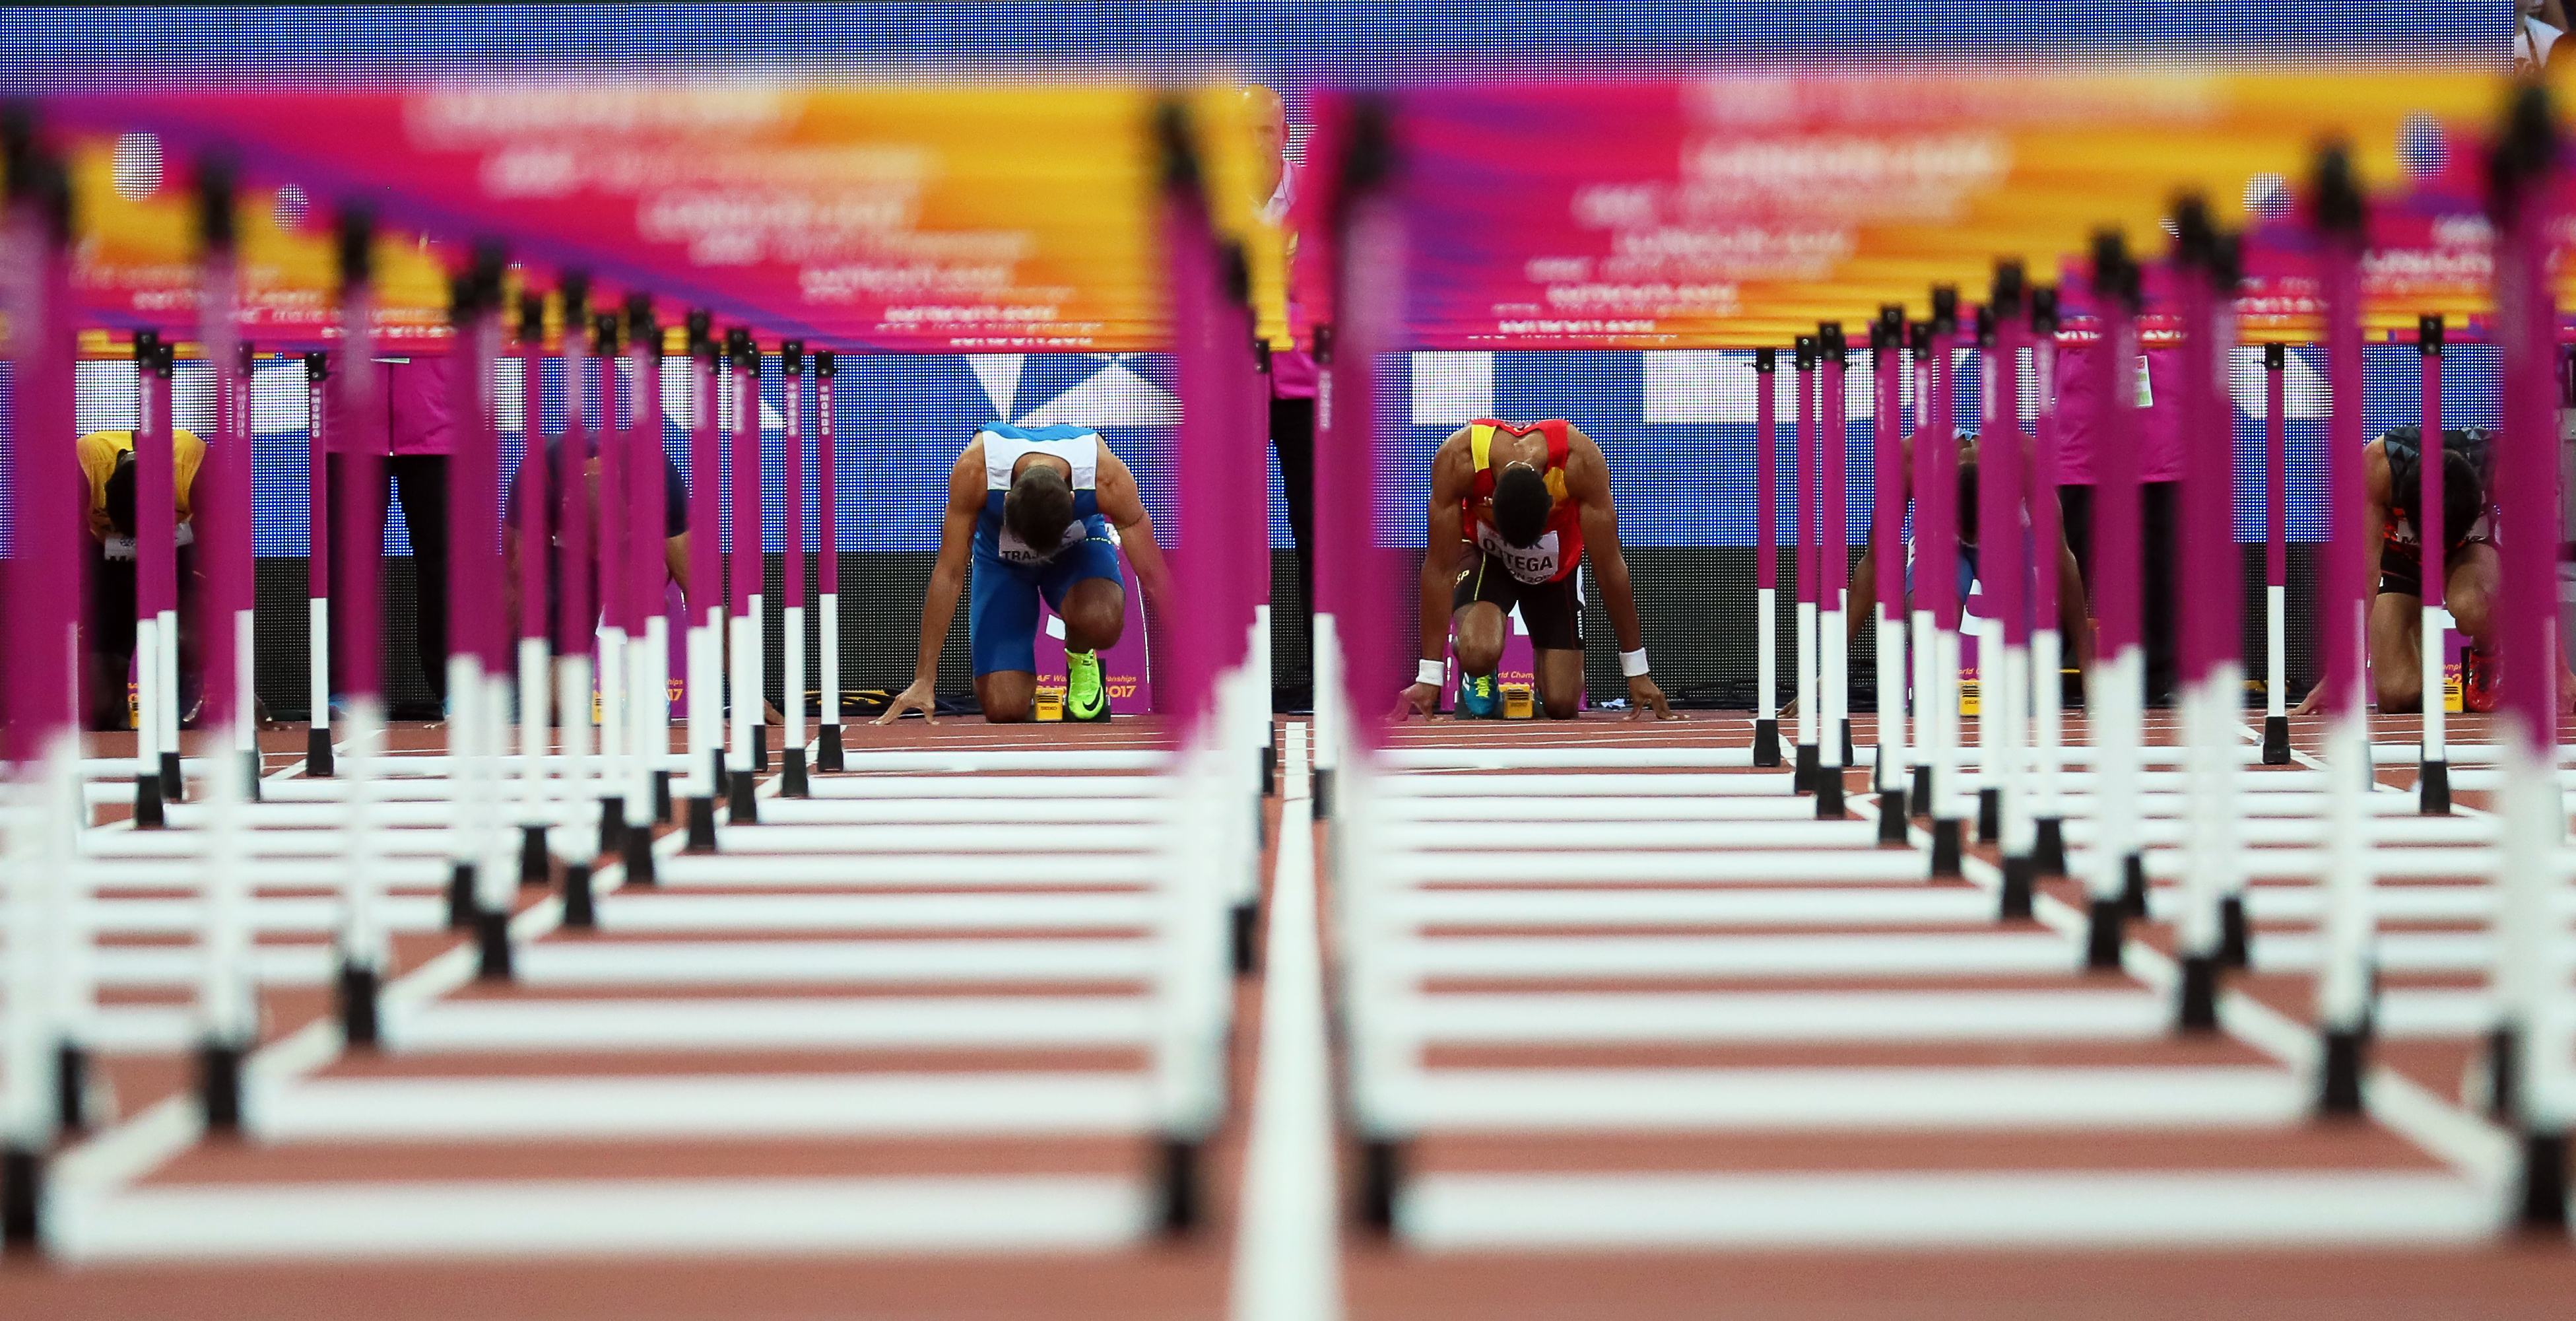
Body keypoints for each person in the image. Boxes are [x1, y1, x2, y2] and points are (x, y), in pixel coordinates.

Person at [878, 423, 1173, 724]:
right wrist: (924, 679)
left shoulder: (1108, 477)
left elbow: (1154, 578)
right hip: (1002, 562)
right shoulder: (975, 470)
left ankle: (1081, 654)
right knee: (1004, 707)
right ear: (1006, 500)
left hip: (1075, 551)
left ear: (1072, 500)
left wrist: (1203, 673)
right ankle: (1017, 685)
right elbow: (949, 572)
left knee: (1103, 619)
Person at [1395, 417, 1676, 722]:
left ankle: (1549, 678)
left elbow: (1610, 569)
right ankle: (1477, 672)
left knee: (1562, 705)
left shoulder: (1579, 462)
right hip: (1487, 554)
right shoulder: (1459, 459)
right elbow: (1439, 569)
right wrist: (1430, 674)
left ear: (1550, 499)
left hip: (1553, 563)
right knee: (1479, 652)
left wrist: (1636, 670)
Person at [2292, 426, 2576, 715]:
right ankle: (2415, 648)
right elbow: (2362, 579)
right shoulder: (2378, 467)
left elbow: (2533, 569)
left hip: (2468, 551)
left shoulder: (2503, 465)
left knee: (2472, 606)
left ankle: (2486, 654)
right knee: (2396, 696)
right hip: (2400, 559)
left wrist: (2561, 672)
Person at [1844, 431, 2096, 665]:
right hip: (1940, 540)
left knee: (2021, 629)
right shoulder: (1912, 459)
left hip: (2006, 539)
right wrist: (1836, 658)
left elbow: (2061, 556)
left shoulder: (2023, 456)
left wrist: (2088, 667)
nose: (1971, 541)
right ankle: (1932, 689)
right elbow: (1873, 562)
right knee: (1927, 620)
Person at [1248, 85, 1319, 709]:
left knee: (1316, 531)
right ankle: (1243, 676)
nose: (1251, 142)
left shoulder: (1318, 199)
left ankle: (1321, 674)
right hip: (1234, 392)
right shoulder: (1213, 203)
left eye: (1262, 130)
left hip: (1306, 387)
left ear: (1285, 133)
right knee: (1239, 535)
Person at [79, 427, 205, 731]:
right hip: (103, 555)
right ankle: (119, 687)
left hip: (178, 550)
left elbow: (223, 543)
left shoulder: (193, 463)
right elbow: (60, 547)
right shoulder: (83, 465)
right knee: (98, 710)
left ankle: (191, 688)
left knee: (194, 637)